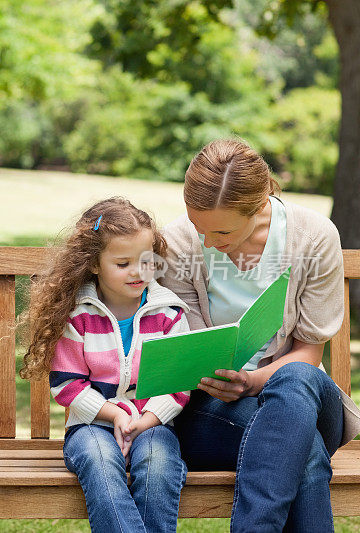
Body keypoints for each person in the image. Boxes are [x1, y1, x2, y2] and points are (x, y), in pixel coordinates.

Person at [160, 138, 360, 532]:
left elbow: (309, 351)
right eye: (199, 227)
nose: (207, 242)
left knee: (298, 378)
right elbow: (189, 350)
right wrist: (213, 376)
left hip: (301, 396)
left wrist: (252, 380)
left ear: (258, 206)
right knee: (305, 454)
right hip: (212, 410)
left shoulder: (313, 237)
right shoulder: (180, 243)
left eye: (222, 232)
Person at [20, 197, 191, 533]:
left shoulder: (168, 314)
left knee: (158, 465)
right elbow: (67, 384)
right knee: (100, 460)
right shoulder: (79, 316)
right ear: (95, 264)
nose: (138, 272)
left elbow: (179, 383)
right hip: (90, 426)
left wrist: (144, 421)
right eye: (123, 263)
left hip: (153, 425)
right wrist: (115, 415)